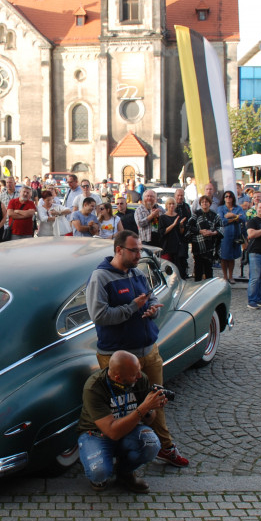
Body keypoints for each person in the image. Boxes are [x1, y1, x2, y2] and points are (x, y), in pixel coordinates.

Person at [85, 231, 188, 468]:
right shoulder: (100, 278)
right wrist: (133, 307)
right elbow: (99, 316)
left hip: (148, 351)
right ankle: (124, 461)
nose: (138, 254)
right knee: (122, 408)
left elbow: (149, 300)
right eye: (134, 250)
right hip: (118, 357)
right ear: (119, 250)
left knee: (157, 401)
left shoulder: (138, 272)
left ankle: (166, 447)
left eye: (140, 249)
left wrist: (153, 310)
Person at [76, 349, 166, 493]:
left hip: (128, 430)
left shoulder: (140, 379)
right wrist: (143, 408)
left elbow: (149, 420)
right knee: (99, 472)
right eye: (133, 374)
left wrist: (151, 408)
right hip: (96, 434)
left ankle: (124, 472)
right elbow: (112, 432)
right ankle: (100, 473)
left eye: (139, 370)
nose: (139, 376)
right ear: (118, 378)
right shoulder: (94, 387)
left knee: (152, 444)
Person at [189, 195, 221, 282]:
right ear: (200, 204)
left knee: (209, 268)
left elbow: (220, 228)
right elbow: (189, 226)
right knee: (198, 267)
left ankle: (209, 287)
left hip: (210, 245)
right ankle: (197, 285)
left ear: (210, 203)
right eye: (202, 202)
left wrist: (213, 232)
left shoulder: (214, 215)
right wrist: (200, 231)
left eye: (206, 202)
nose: (204, 204)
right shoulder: (196, 214)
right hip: (198, 245)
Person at [217, 191, 245, 284]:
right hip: (224, 235)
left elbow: (243, 219)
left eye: (230, 196)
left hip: (235, 235)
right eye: (226, 196)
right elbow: (222, 221)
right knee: (224, 257)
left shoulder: (238, 208)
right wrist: (235, 218)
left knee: (232, 257)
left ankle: (231, 275)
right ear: (224, 198)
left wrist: (232, 215)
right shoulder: (221, 208)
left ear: (233, 198)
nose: (228, 198)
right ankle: (225, 276)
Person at [156, 199, 186, 272]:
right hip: (167, 246)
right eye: (169, 204)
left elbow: (181, 232)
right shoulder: (163, 217)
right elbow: (162, 232)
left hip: (177, 245)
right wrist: (173, 225)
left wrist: (181, 225)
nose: (171, 205)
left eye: (173, 204)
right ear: (166, 205)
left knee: (178, 267)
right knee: (168, 267)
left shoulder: (178, 216)